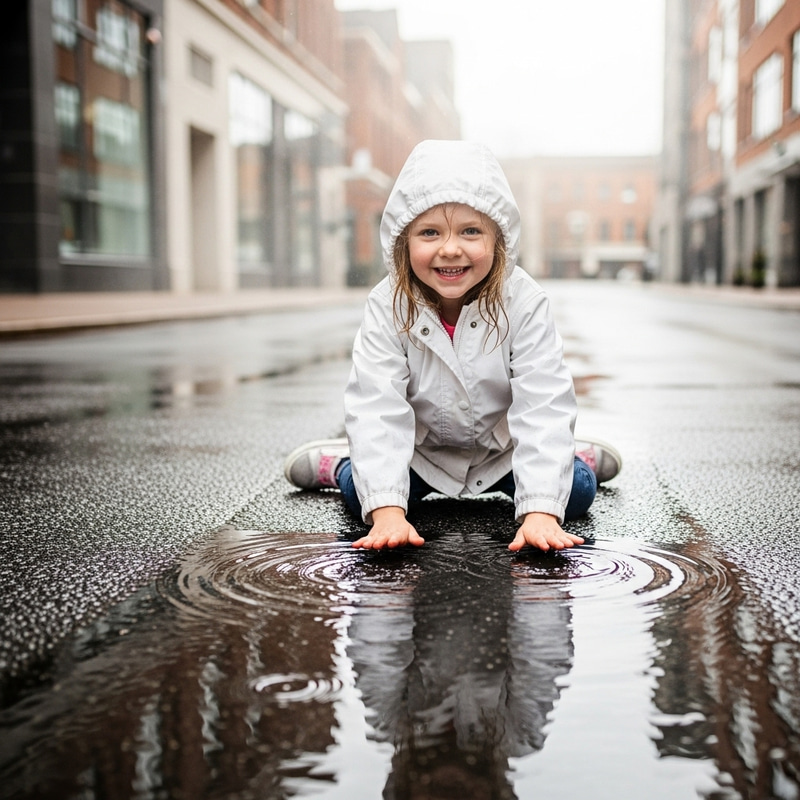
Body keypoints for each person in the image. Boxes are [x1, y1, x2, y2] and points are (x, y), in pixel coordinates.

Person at [284, 139, 621, 552]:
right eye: (429, 232)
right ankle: (339, 465)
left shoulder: (524, 302)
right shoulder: (388, 304)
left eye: (470, 231)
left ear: (497, 240)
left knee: (576, 493)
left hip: (502, 452)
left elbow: (543, 400)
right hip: (420, 454)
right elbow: (376, 404)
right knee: (365, 497)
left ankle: (575, 456)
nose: (449, 248)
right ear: (402, 241)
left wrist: (540, 515)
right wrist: (388, 512)